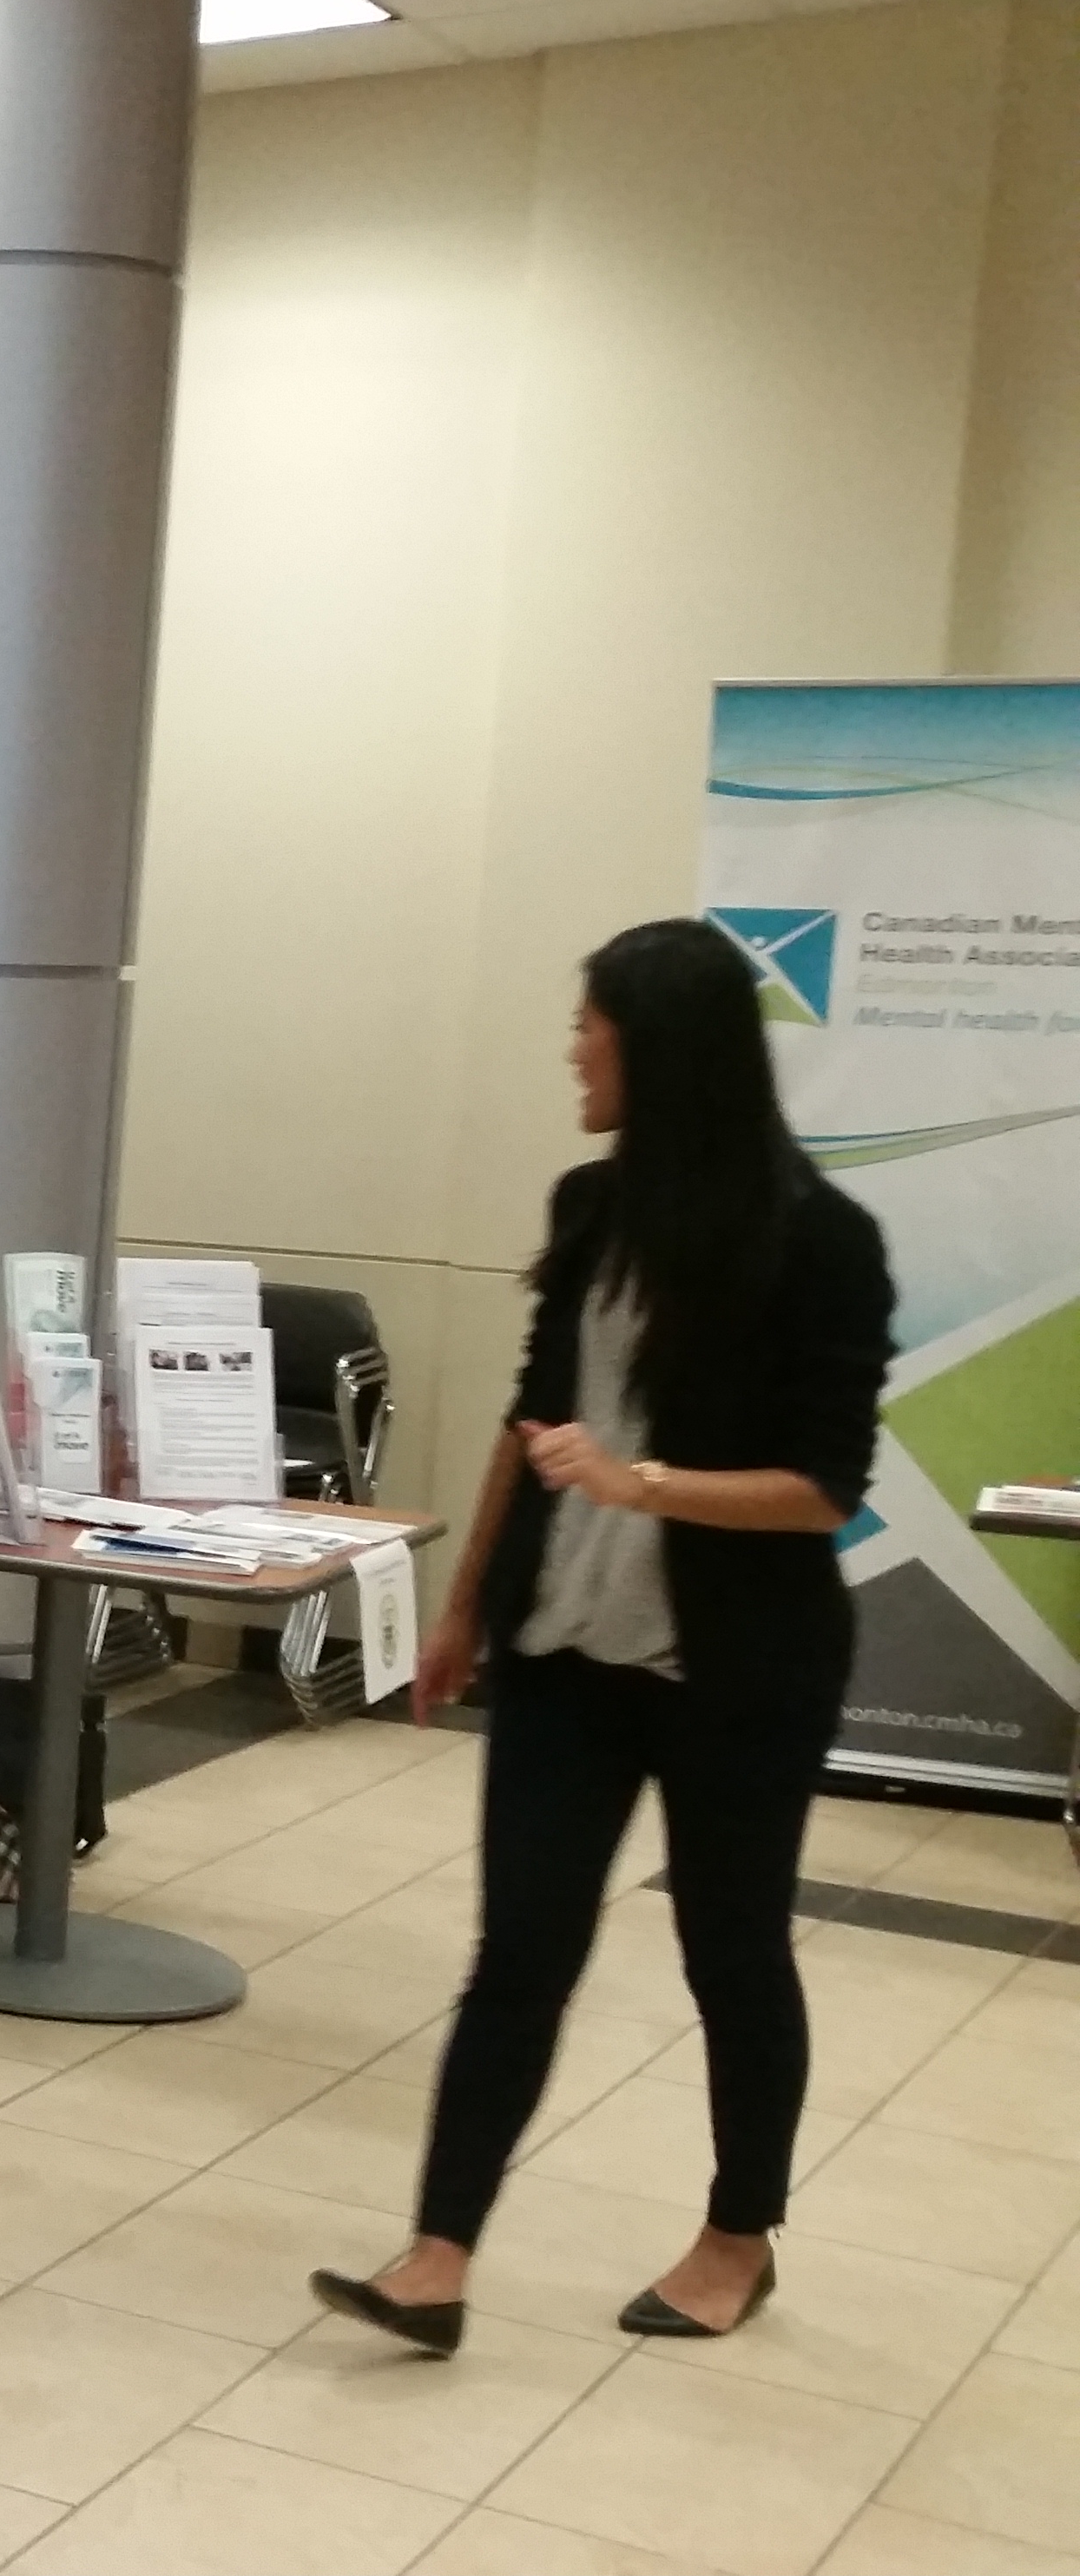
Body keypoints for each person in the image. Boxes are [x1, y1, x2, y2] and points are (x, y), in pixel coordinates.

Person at [313, 918, 892, 2359]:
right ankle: (436, 2253)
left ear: (661, 1045)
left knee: (730, 1949)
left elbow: (823, 1486)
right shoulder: (588, 1206)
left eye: (591, 1025)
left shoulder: (819, 1239)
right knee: (518, 1952)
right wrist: (458, 1607)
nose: (571, 1048)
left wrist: (645, 1486)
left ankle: (736, 2235)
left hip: (736, 1672)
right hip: (567, 1649)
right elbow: (533, 1412)